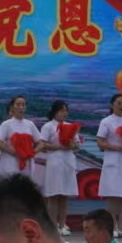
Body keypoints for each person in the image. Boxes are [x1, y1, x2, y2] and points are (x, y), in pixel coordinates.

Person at [95, 94, 122, 236]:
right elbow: (100, 143)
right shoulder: (106, 122)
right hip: (113, 160)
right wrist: (118, 147)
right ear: (112, 105)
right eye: (119, 103)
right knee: (114, 197)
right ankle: (112, 227)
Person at [34, 100, 79, 235]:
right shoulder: (48, 126)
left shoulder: (71, 126)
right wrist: (60, 147)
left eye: (65, 110)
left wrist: (71, 145)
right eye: (61, 110)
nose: (63, 113)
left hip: (68, 160)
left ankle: (62, 224)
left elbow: (77, 146)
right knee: (54, 194)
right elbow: (43, 143)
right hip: (54, 160)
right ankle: (52, 225)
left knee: (64, 195)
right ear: (54, 112)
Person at [0, 95, 40, 184]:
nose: (21, 107)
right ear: (12, 107)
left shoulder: (30, 124)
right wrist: (14, 152)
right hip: (9, 165)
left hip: (26, 165)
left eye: (23, 105)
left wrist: (31, 153)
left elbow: (41, 143)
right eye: (18, 105)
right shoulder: (6, 124)